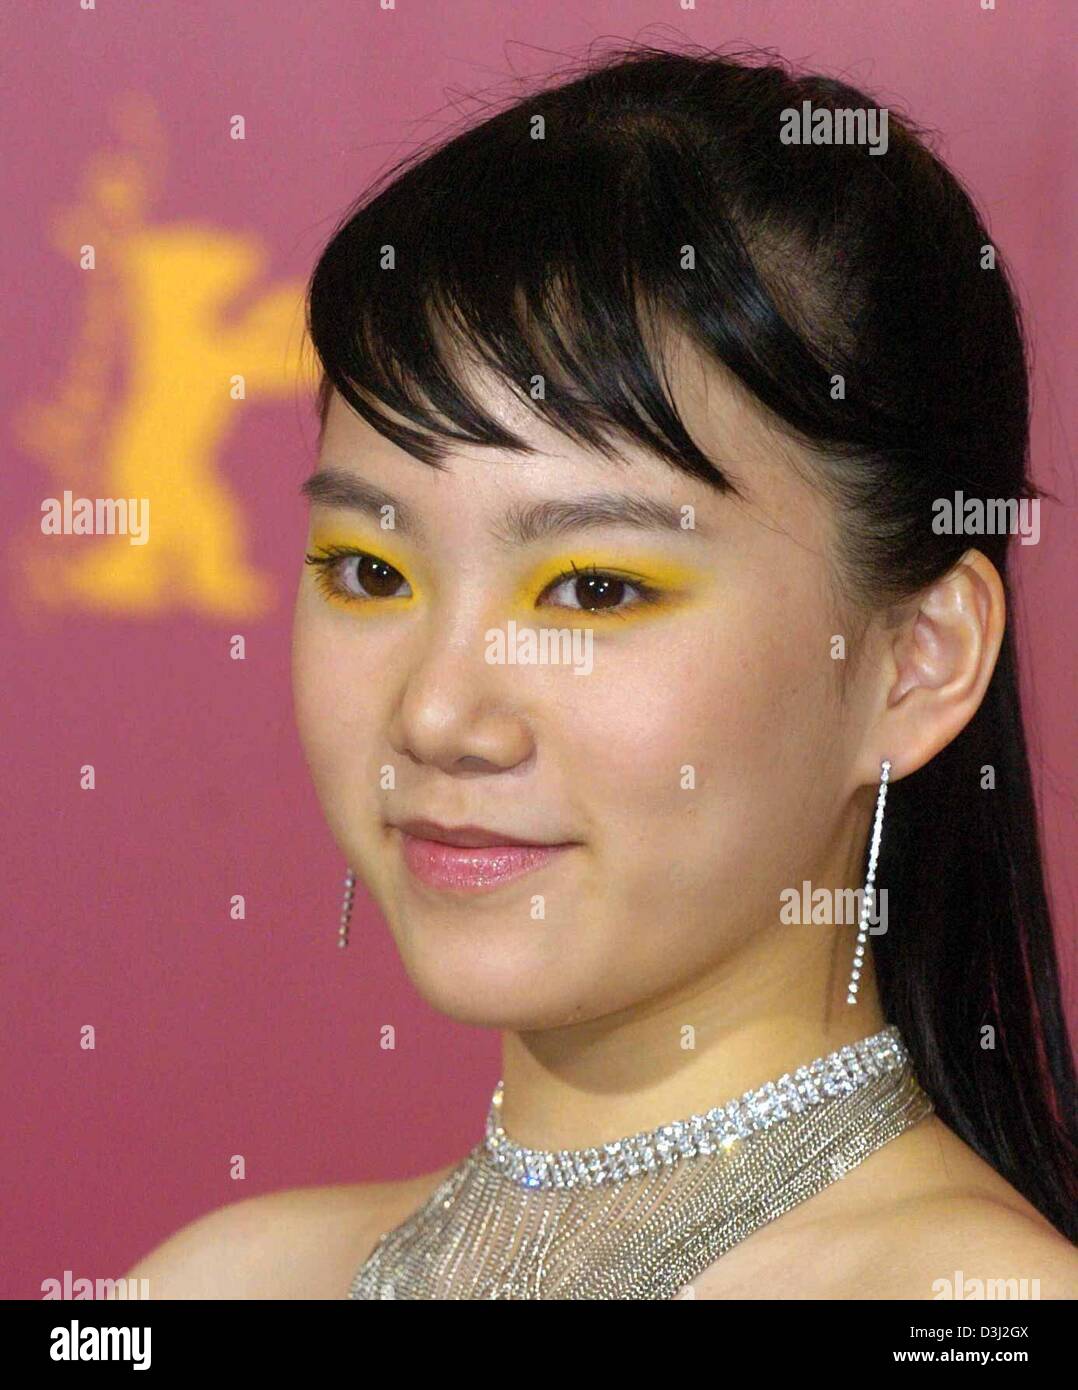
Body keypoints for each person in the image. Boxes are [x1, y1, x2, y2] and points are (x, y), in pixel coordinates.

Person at [121, 43, 1077, 1299]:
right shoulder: (214, 1283)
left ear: (915, 664)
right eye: (368, 570)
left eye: (595, 588)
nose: (438, 711)